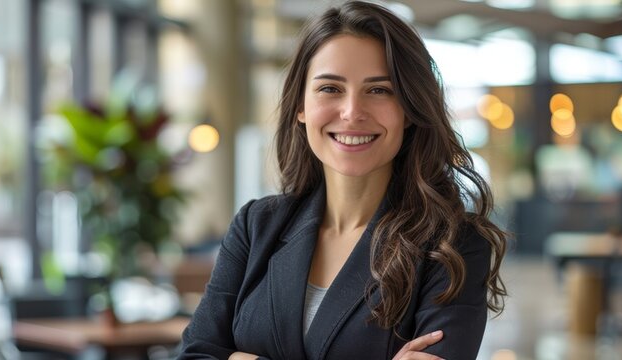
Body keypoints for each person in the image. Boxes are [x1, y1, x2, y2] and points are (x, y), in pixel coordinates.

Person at [179, 1, 507, 359]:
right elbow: (193, 353)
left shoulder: (453, 246)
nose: (352, 112)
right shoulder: (256, 225)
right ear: (301, 106)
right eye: (330, 89)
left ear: (409, 110)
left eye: (380, 90)